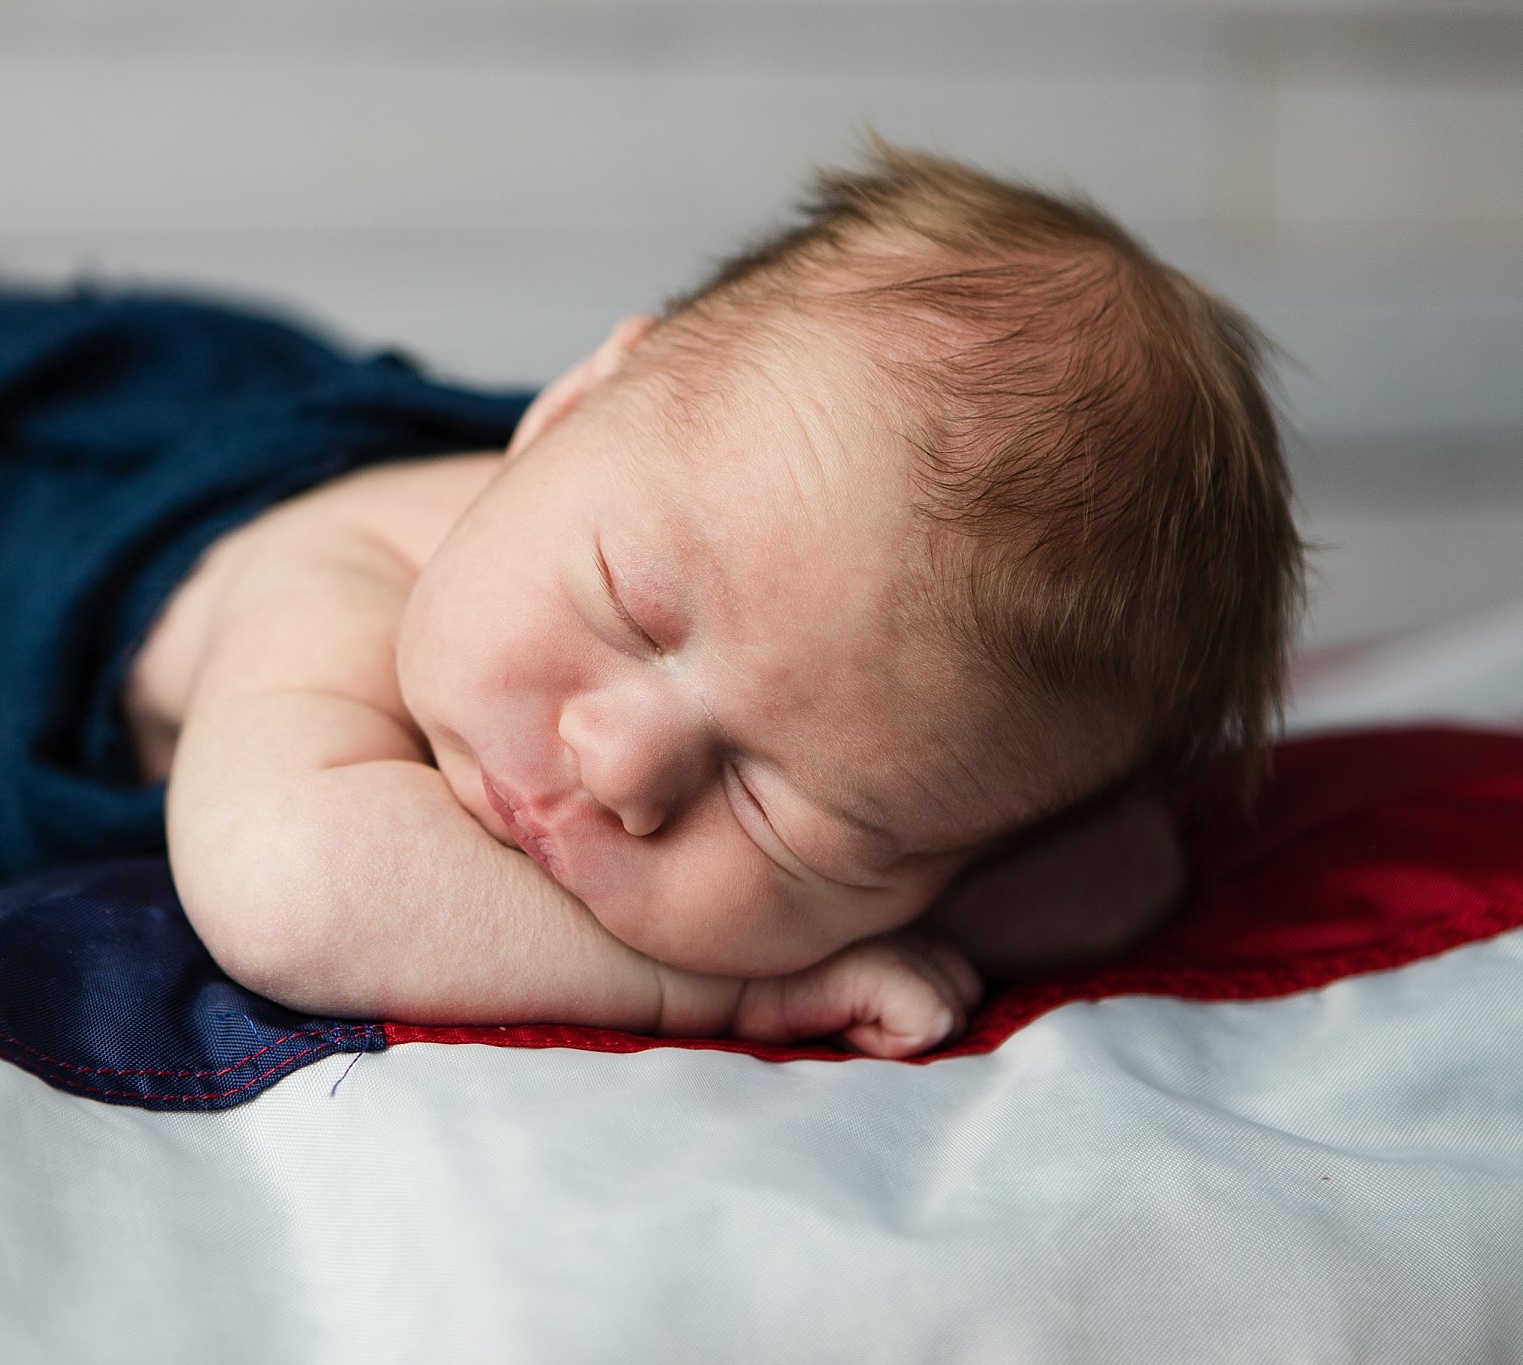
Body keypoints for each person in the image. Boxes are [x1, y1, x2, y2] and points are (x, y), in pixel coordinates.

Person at [128, 145, 1304, 1058]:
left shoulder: (702, 555)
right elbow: (292, 893)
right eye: (630, 614)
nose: (622, 768)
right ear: (571, 408)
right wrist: (739, 982)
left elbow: (1124, 872)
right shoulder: (334, 577)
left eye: (791, 814)